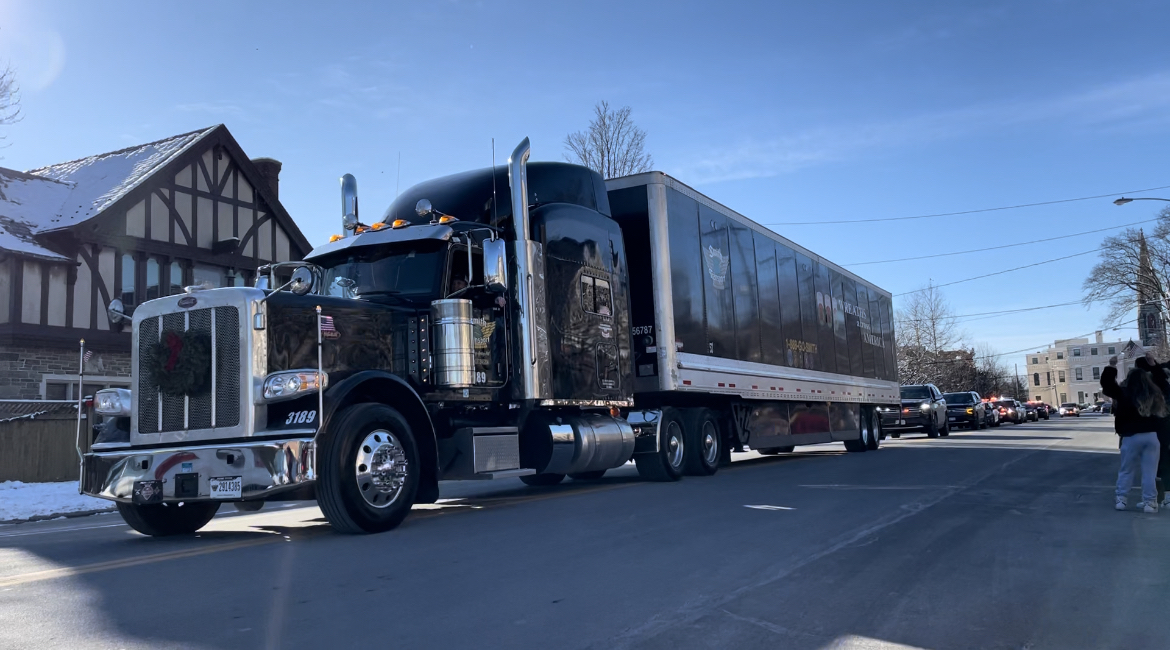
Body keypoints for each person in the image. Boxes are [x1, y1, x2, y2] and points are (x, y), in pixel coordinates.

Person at [1101, 355, 1167, 512]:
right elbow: (1163, 382)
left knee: (1126, 469)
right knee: (1149, 472)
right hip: (1152, 436)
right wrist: (1154, 366)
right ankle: (1150, 502)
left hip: (1131, 436)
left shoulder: (1124, 393)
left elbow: (1107, 385)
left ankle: (1121, 500)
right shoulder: (1154, 393)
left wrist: (1112, 366)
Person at [1135, 351, 1170, 507]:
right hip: (1163, 428)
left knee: (1154, 465)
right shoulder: (1161, 385)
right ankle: (1162, 498)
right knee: (1161, 463)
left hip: (1156, 428)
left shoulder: (1148, 389)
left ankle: (1155, 499)